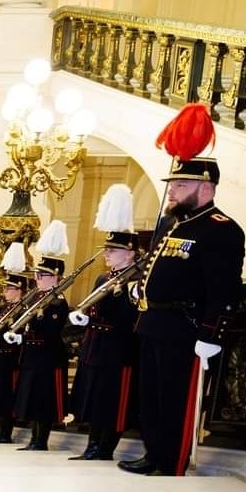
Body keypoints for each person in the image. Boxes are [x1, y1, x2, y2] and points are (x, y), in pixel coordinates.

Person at [121, 104, 245, 477]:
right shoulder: (171, 224)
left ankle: (171, 461)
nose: (172, 191)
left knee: (176, 398)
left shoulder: (220, 228)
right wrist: (138, 289)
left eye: (180, 185)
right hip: (153, 322)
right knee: (152, 398)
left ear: (205, 187)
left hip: (186, 328)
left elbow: (223, 288)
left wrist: (211, 333)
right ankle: (153, 453)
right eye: (172, 185)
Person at [68, 185, 141, 461]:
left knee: (112, 402)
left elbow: (130, 316)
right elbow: (95, 306)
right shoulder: (103, 278)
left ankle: (105, 447)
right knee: (93, 399)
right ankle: (92, 445)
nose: (107, 253)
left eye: (114, 249)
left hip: (117, 349)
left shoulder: (135, 280)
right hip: (95, 347)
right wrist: (84, 317)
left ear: (131, 252)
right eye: (108, 248)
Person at [6, 221, 71, 452]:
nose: (38, 279)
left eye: (43, 275)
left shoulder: (57, 302)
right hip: (32, 358)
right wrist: (20, 337)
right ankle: (34, 439)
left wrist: (24, 337)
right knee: (32, 398)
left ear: (56, 277)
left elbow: (49, 333)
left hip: (47, 358)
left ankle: (41, 440)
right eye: (38, 275)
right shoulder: (37, 299)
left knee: (44, 400)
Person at [0, 243, 31, 445]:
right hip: (0, 356)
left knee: (6, 396)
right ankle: (0, 431)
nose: (5, 292)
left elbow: (22, 332)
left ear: (19, 290)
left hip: (12, 359)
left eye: (9, 288)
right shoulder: (6, 308)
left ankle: (5, 433)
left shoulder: (21, 309)